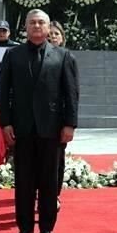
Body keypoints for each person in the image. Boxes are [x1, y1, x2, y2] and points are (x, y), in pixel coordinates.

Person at [0, 9, 79, 233]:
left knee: (48, 181)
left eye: (41, 22)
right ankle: (24, 229)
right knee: (23, 181)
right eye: (32, 22)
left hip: (51, 128)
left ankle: (46, 228)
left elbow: (71, 94)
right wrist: (5, 123)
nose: (36, 26)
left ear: (47, 27)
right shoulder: (13, 55)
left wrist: (69, 124)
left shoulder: (63, 56)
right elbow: (4, 92)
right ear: (25, 27)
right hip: (22, 128)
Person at [47, 21, 77, 207]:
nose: (52, 37)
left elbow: (72, 93)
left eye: (56, 34)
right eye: (49, 34)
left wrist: (69, 123)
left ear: (63, 37)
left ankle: (54, 194)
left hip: (58, 119)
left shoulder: (67, 58)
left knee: (57, 160)